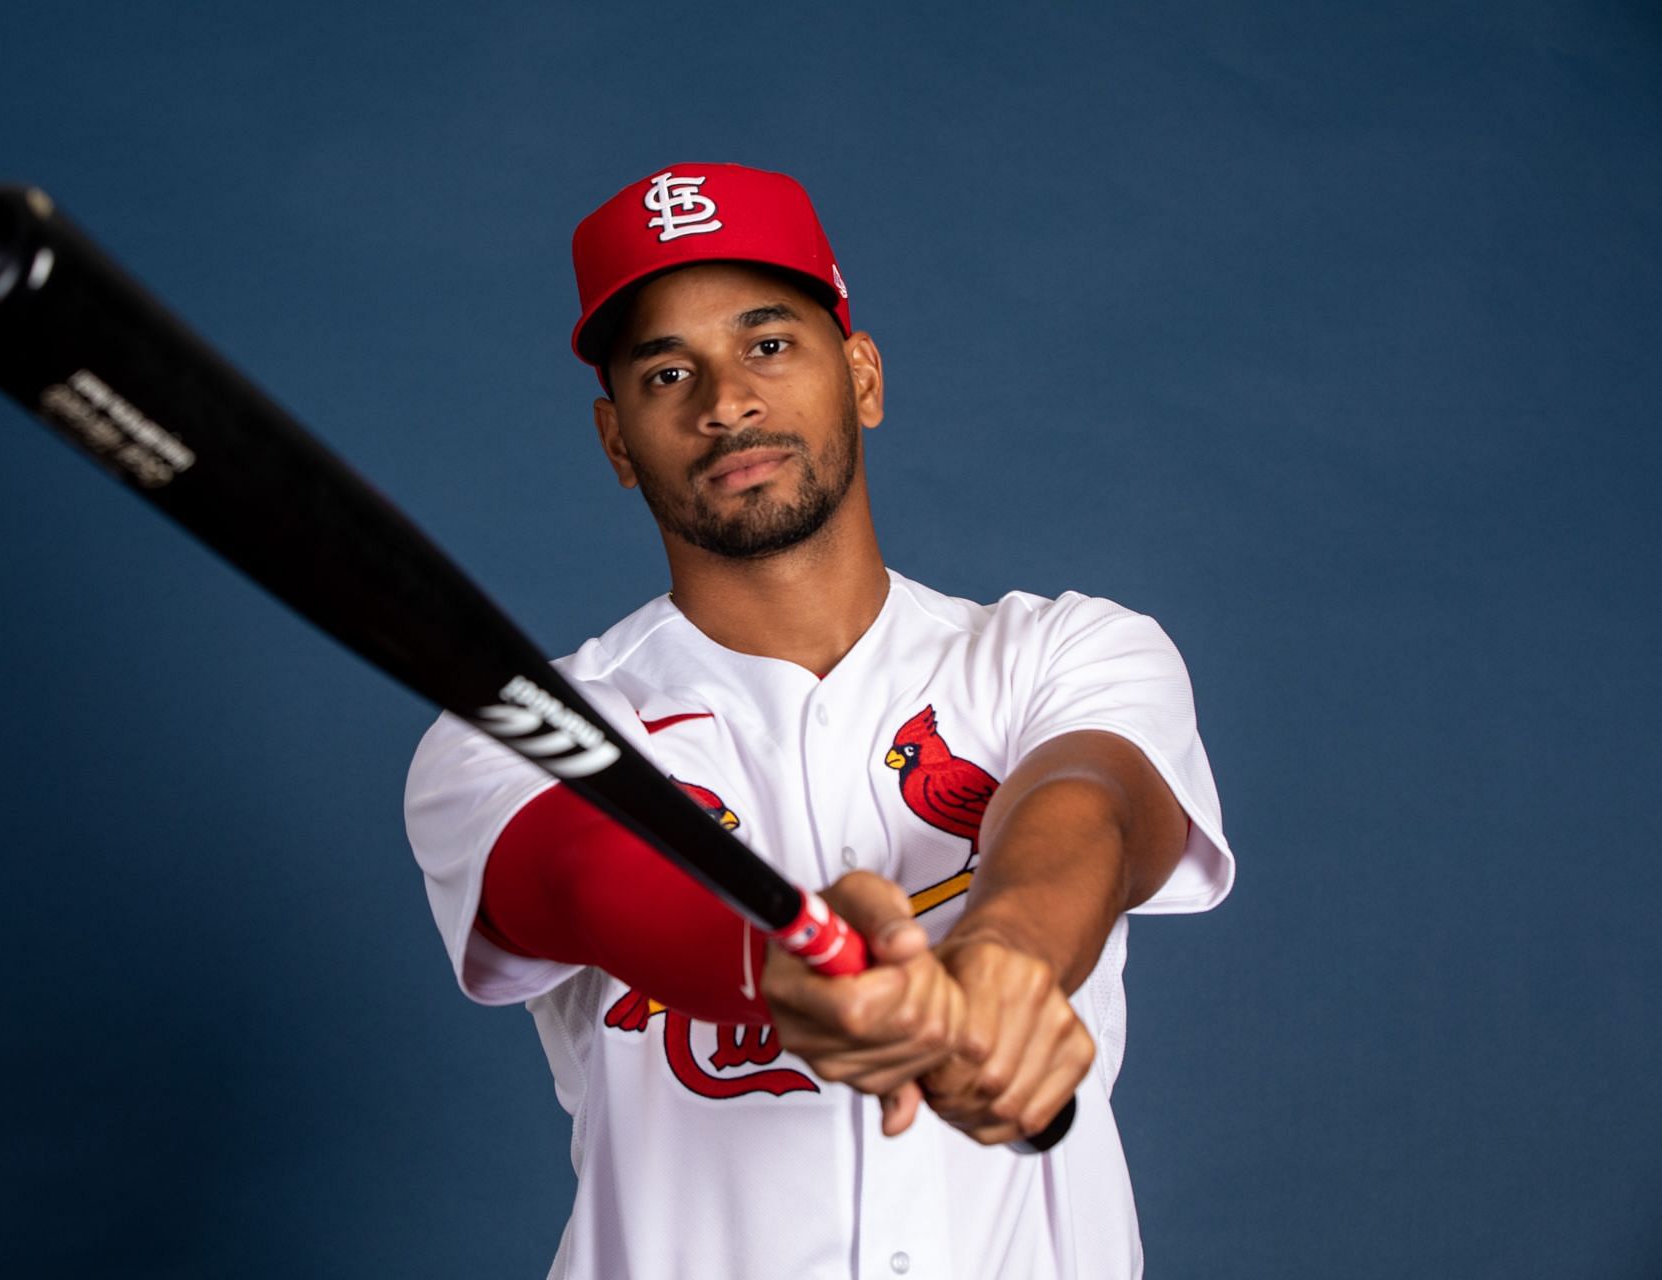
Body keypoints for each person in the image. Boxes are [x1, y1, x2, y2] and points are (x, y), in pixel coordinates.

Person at [405, 162, 1235, 1280]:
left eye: (768, 343)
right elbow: (581, 877)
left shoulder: (1064, 649)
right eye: (665, 371)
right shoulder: (530, 725)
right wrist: (777, 961)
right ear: (617, 441)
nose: (725, 401)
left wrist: (1005, 951)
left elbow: (1091, 803)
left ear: (863, 375)